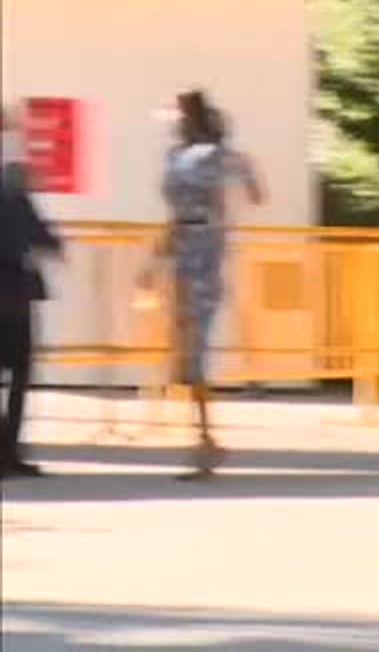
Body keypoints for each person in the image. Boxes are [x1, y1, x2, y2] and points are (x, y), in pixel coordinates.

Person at [141, 89, 261, 480]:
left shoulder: (184, 160)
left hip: (193, 255)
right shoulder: (221, 158)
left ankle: (206, 441)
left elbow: (180, 213)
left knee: (190, 350)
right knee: (190, 349)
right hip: (202, 251)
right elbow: (255, 195)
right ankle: (204, 439)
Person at [1, 105, 64, 478]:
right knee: (19, 374)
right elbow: (46, 239)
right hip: (13, 291)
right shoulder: (13, 186)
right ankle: (9, 452)